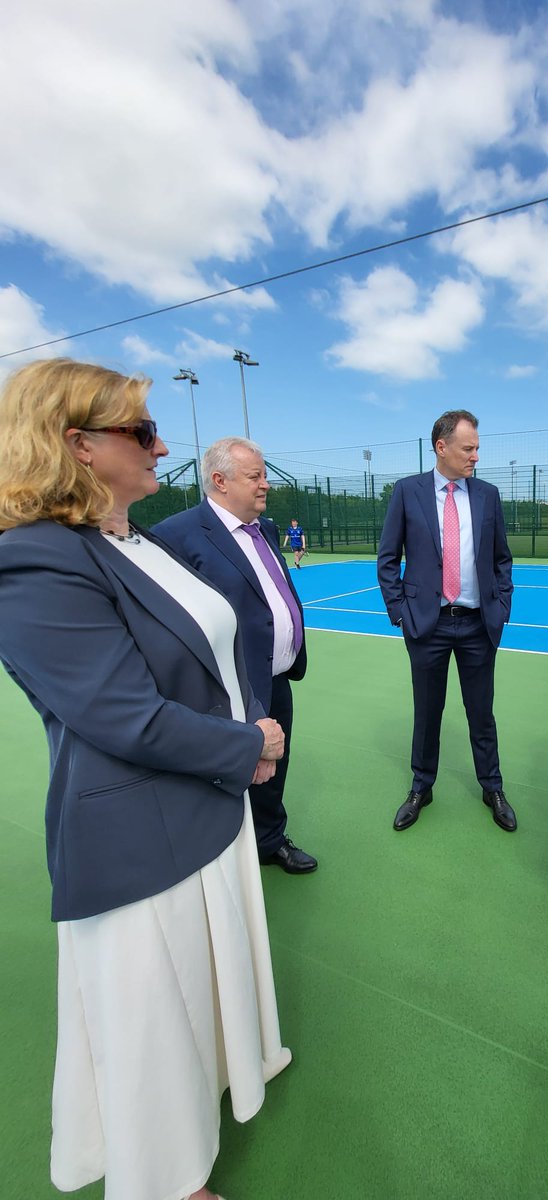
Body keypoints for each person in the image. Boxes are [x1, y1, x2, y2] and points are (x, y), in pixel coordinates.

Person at [0, 359, 292, 1200]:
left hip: (202, 806)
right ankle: (168, 1184)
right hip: (140, 836)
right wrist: (251, 747)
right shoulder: (35, 560)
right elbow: (123, 715)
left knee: (199, 990)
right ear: (78, 445)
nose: (163, 446)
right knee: (150, 1026)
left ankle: (230, 1076)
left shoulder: (124, 540)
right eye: (143, 431)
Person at [154, 437, 317, 874]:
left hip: (277, 676)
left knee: (273, 765)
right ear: (220, 481)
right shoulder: (176, 535)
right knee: (229, 770)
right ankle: (223, 856)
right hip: (225, 686)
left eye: (264, 474)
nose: (265, 484)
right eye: (255, 476)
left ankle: (268, 840)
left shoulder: (263, 527)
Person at [377, 409, 516, 832]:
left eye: (477, 448)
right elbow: (388, 559)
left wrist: (501, 605)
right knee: (427, 710)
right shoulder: (407, 492)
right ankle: (422, 786)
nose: (475, 456)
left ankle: (492, 787)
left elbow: (501, 558)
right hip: (426, 625)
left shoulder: (488, 495)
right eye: (468, 448)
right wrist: (400, 611)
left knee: (481, 713)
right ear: (442, 447)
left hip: (477, 624)